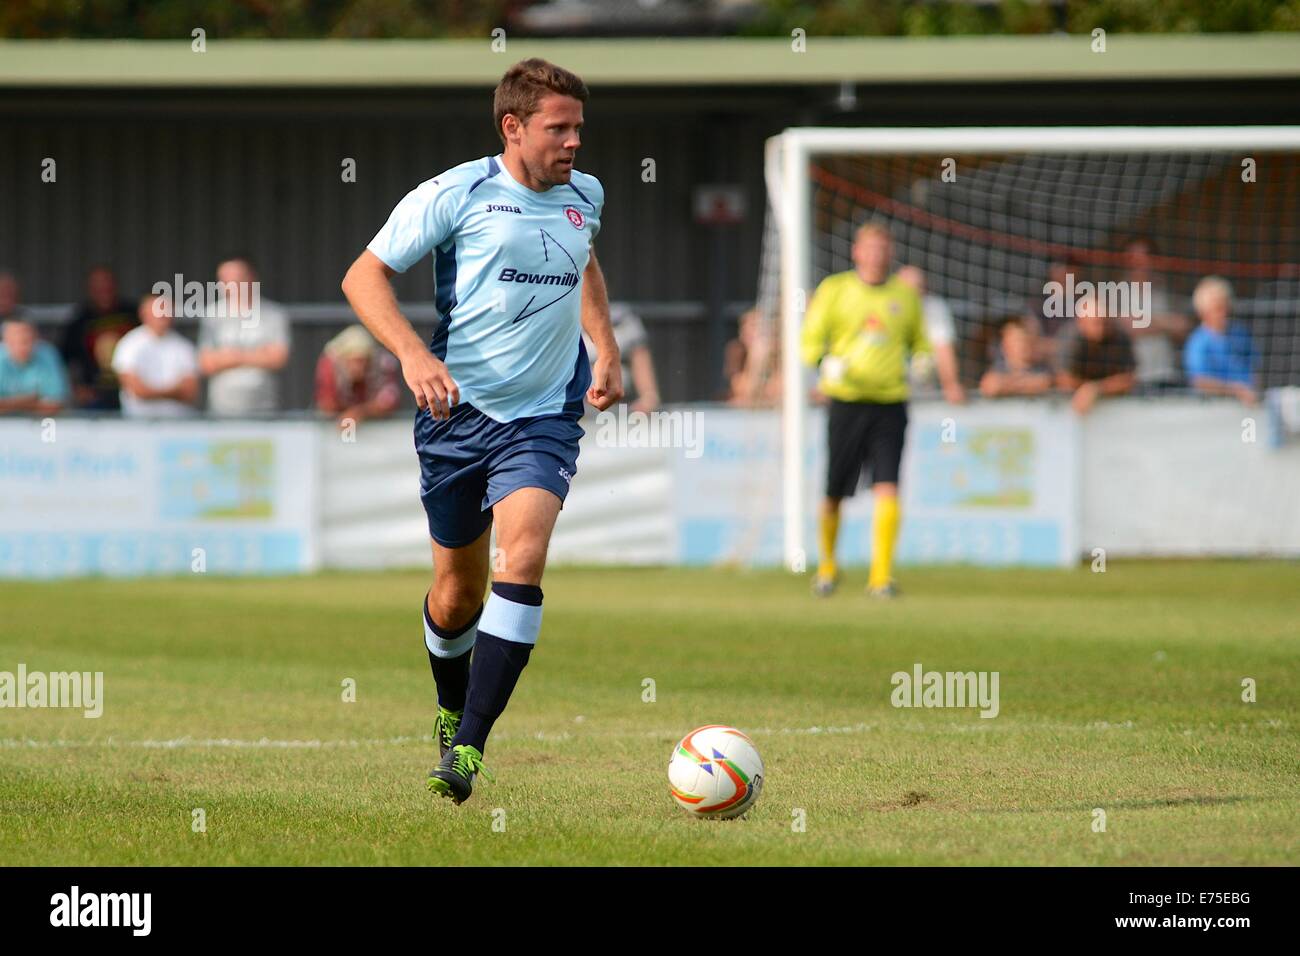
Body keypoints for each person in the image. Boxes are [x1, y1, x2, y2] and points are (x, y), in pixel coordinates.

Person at [341, 58, 620, 805]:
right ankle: (448, 702)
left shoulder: (583, 195)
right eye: (558, 129)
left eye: (578, 130)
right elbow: (362, 276)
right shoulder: (454, 193)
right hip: (456, 417)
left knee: (521, 555)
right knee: (456, 594)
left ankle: (468, 746)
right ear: (513, 127)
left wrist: (606, 345)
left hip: (543, 417)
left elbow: (584, 263)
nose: (573, 145)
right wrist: (412, 354)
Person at [800, 221, 930, 599]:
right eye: (869, 248)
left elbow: (920, 342)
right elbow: (809, 339)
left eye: (882, 248)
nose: (876, 255)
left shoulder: (905, 296)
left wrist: (922, 361)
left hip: (890, 403)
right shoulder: (835, 290)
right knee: (835, 489)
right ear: (856, 252)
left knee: (888, 485)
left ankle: (881, 577)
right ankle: (826, 567)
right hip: (846, 402)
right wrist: (825, 362)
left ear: (890, 253)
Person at [197, 256, 290, 416]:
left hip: (266, 410)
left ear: (251, 279)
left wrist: (231, 356)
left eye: (237, 279)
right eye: (225, 280)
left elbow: (278, 358)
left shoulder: (273, 314)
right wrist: (258, 354)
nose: (231, 285)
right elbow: (206, 363)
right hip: (221, 411)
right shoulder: (212, 315)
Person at [59, 265, 137, 410]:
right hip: (94, 398)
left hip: (132, 394)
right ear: (90, 289)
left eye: (107, 284)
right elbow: (64, 361)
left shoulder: (133, 315)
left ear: (115, 286)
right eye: (98, 286)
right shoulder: (79, 321)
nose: (104, 290)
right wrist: (76, 388)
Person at [110, 293, 199, 418]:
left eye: (166, 310)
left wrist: (151, 392)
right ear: (143, 313)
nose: (162, 315)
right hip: (140, 425)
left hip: (179, 426)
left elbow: (190, 392)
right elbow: (136, 390)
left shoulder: (184, 347)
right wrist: (175, 392)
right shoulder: (129, 344)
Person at [1119, 238, 1190, 392]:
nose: (1138, 262)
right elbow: (1125, 327)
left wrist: (1143, 321)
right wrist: (1166, 323)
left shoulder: (1167, 292)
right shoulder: (1117, 293)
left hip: (1167, 375)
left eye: (1143, 257)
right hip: (1133, 379)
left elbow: (1183, 326)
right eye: (1133, 257)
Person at [1056, 292, 1136, 414]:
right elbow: (1063, 380)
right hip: (1071, 410)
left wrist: (1095, 388)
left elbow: (1129, 379)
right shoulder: (1069, 339)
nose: (1101, 330)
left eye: (1105, 322)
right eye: (1095, 323)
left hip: (1113, 409)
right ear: (1081, 322)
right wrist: (1089, 389)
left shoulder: (1119, 335)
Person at [1184, 276, 1259, 405]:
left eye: (1226, 307)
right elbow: (1200, 381)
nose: (1223, 313)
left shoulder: (1240, 333)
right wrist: (1236, 390)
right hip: (1216, 408)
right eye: (1218, 308)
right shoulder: (1198, 342)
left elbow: (1256, 366)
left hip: (1251, 404)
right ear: (1203, 311)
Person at [896, 265, 965, 404]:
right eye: (907, 288)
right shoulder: (886, 309)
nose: (914, 292)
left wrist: (951, 384)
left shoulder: (934, 308)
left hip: (925, 398)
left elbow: (944, 349)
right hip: (889, 395)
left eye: (919, 286)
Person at [314, 324, 401, 425]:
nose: (358, 367)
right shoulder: (329, 365)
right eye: (353, 361)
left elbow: (389, 401)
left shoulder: (383, 364)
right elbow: (327, 405)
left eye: (362, 361)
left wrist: (359, 412)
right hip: (340, 431)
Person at [582, 301, 659, 413]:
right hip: (580, 407)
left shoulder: (622, 317)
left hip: (623, 405)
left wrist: (649, 396)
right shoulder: (564, 316)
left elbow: (640, 357)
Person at [0, 318, 70, 416]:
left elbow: (56, 404)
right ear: (5, 341)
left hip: (41, 425)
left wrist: (8, 404)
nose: (23, 346)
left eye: (27, 340)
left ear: (36, 339)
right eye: (15, 341)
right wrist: (31, 400)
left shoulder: (48, 353)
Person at [980, 317, 1054, 398]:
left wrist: (1007, 384)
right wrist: (1027, 384)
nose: (1023, 345)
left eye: (1026, 340)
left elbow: (1045, 382)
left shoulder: (1044, 369)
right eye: (1017, 340)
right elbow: (991, 386)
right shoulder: (998, 369)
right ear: (1005, 345)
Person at [723, 307, 782, 408]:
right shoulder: (737, 350)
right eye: (745, 326)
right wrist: (756, 358)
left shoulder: (779, 350)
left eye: (755, 326)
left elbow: (780, 389)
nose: (749, 331)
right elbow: (742, 390)